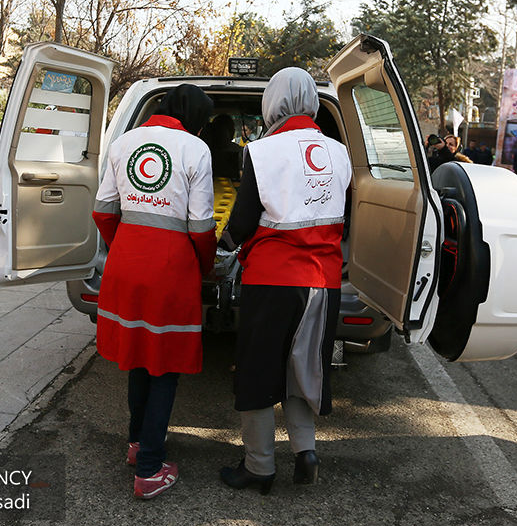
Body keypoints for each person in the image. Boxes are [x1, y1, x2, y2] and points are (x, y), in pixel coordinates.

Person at [218, 67, 352, 494]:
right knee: (304, 367)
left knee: (259, 370)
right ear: (312, 100)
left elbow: (241, 222)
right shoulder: (339, 152)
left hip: (273, 279)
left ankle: (259, 466)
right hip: (324, 282)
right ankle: (306, 451)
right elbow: (343, 221)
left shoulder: (261, 151)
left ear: (272, 102)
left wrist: (219, 246)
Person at [91, 84, 216, 499]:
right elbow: (201, 225)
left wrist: (121, 244)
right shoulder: (195, 149)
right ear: (194, 116)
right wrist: (206, 264)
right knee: (163, 364)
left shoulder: (123, 142)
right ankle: (149, 468)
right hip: (171, 268)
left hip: (125, 261)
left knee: (138, 358)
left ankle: (136, 444)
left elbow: (103, 208)